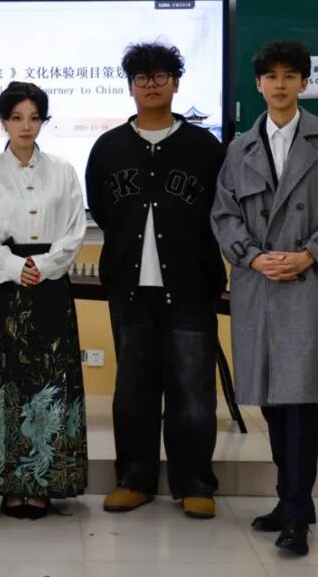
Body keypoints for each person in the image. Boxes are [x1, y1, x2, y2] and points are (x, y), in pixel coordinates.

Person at [212, 40, 318, 556]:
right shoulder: (239, 148)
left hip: (309, 282)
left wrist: (306, 256)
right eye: (271, 76)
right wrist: (253, 257)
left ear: (305, 83)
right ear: (258, 85)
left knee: (299, 399)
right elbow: (223, 215)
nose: (280, 85)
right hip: (259, 284)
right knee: (272, 399)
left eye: (290, 76)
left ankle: (297, 510)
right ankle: (289, 499)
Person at [85, 42, 227, 519]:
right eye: (142, 77)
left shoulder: (204, 147)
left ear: (176, 83)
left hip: (191, 286)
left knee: (193, 390)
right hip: (129, 289)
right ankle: (134, 480)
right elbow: (104, 210)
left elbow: (219, 211)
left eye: (161, 75)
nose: (151, 85)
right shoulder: (108, 148)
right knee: (133, 390)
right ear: (130, 86)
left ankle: (195, 483)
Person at [0, 82, 88, 519]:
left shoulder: (63, 169)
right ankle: (8, 485)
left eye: (34, 117)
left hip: (49, 286)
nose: (26, 126)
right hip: (2, 290)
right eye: (17, 117)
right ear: (3, 121)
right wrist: (10, 265)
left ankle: (44, 484)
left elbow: (75, 230)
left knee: (49, 385)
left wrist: (44, 264)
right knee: (5, 386)